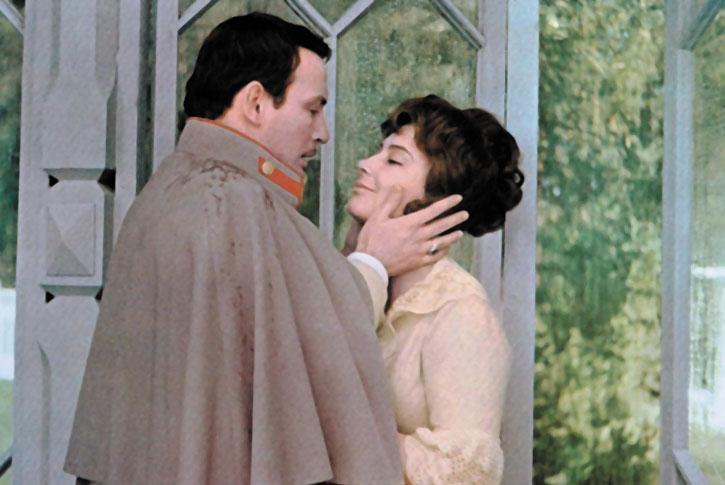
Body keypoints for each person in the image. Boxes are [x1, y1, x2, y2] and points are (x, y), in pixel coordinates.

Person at [63, 14, 467, 485]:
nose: (323, 132)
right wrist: (373, 262)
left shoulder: (171, 189)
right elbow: (310, 347)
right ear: (256, 102)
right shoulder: (235, 202)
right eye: (312, 109)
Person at [346, 95, 525, 484]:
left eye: (393, 160)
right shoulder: (354, 275)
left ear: (437, 200)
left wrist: (341, 435)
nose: (365, 164)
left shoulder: (460, 311)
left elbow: (467, 472)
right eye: (378, 152)